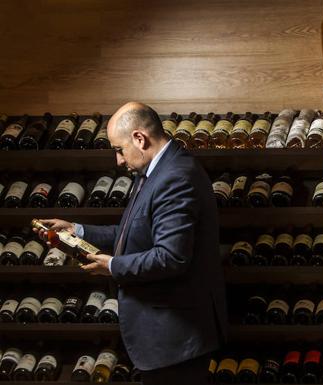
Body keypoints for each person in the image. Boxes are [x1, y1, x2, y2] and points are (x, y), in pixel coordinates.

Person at [35, 102, 227, 385]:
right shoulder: (154, 172)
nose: (119, 161)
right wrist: (76, 230)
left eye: (118, 149)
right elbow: (132, 233)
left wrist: (112, 266)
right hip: (166, 340)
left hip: (177, 340)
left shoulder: (175, 177)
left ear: (139, 138)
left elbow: (170, 257)